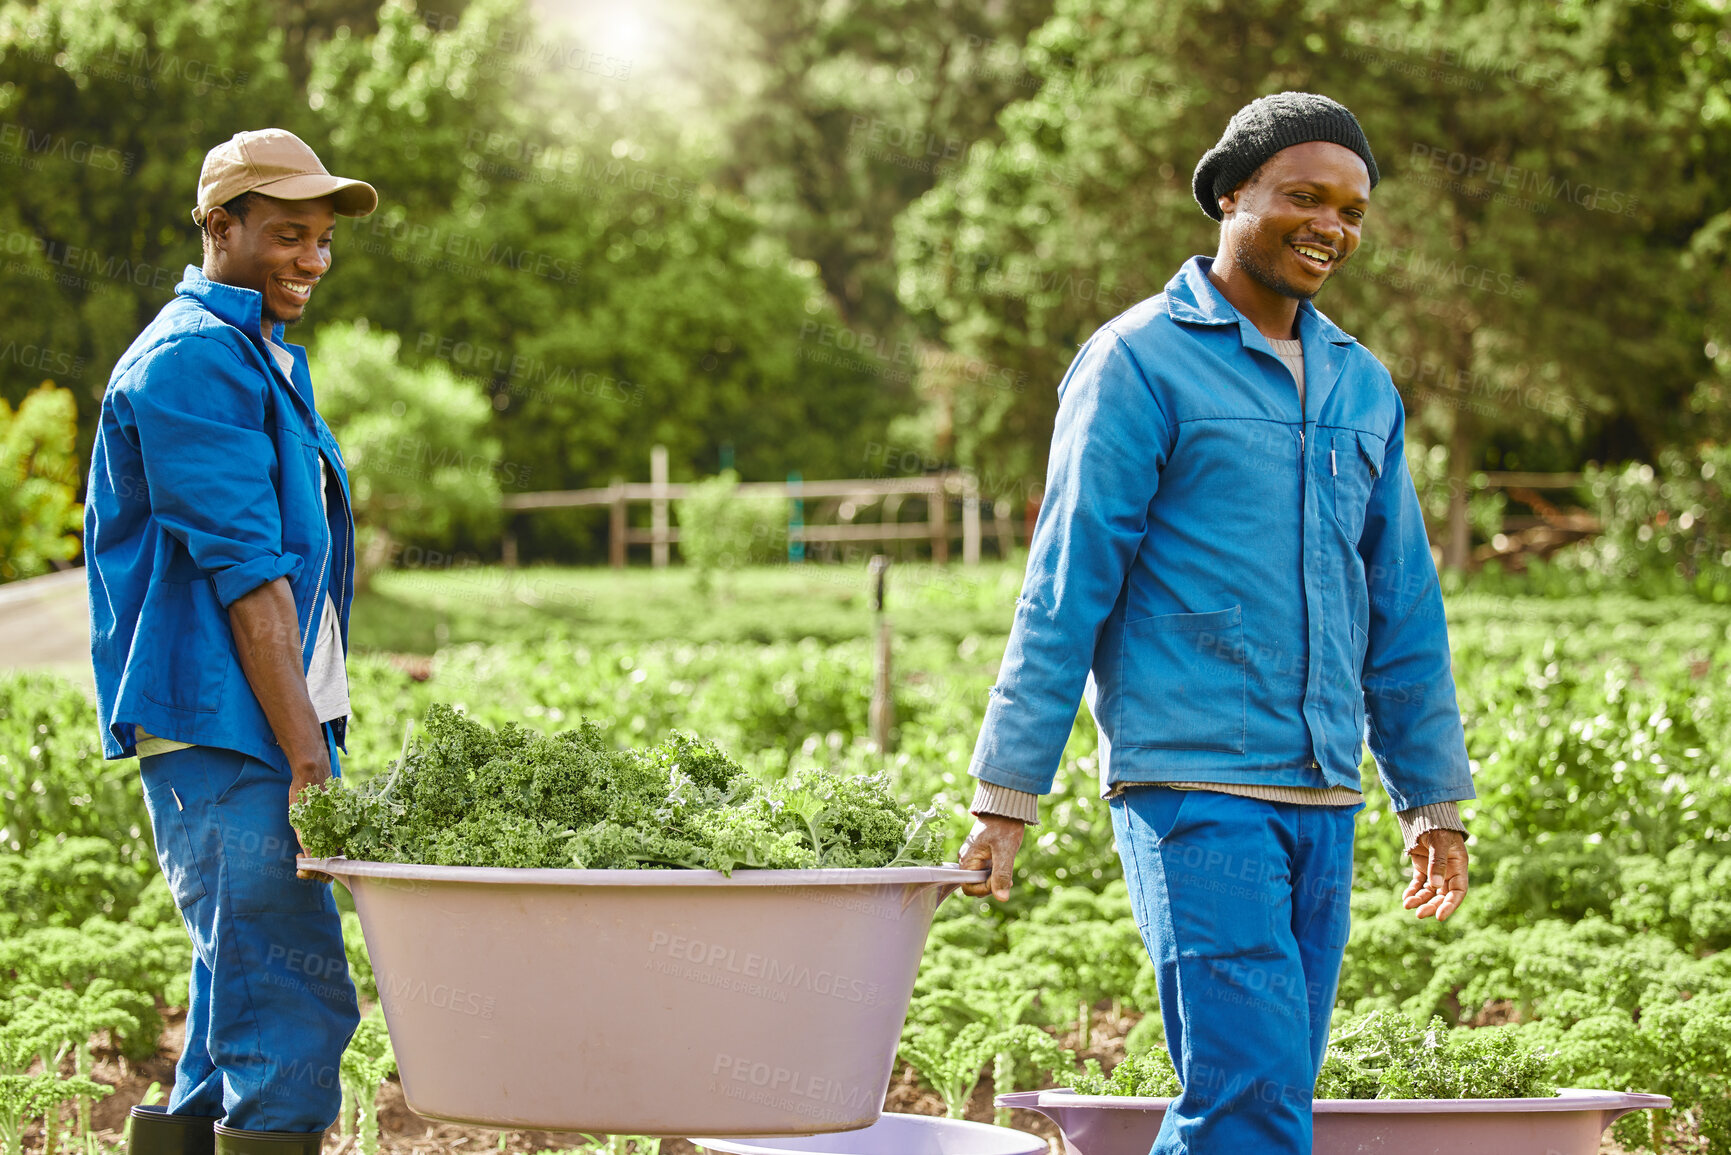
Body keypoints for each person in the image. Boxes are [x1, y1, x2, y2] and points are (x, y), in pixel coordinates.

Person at [956, 92, 1475, 1154]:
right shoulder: (1138, 363)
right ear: (1230, 193)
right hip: (1194, 789)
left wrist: (1432, 797)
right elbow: (1068, 582)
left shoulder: (1362, 384)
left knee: (1261, 1090)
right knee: (1251, 1096)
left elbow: (1404, 607)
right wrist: (1007, 790)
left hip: (1325, 795)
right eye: (1303, 196)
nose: (1332, 224)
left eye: (1353, 208)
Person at [85, 129, 377, 1155]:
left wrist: (319, 736)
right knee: (290, 1019)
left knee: (230, 1010)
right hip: (229, 730)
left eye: (325, 239)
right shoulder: (192, 364)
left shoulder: (254, 353)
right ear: (221, 226)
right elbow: (250, 584)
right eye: (289, 235)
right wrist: (308, 763)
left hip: (263, 726)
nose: (313, 259)